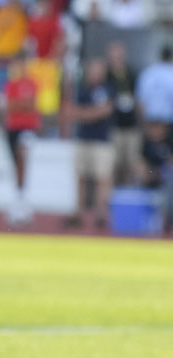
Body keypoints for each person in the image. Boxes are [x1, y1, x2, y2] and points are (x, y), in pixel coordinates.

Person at [68, 58, 114, 232]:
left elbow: (106, 110)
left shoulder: (108, 88)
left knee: (102, 178)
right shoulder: (82, 89)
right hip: (84, 138)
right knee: (80, 177)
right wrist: (94, 113)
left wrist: (87, 114)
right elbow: (73, 112)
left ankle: (101, 214)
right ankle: (78, 213)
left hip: (102, 140)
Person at [2, 47, 41, 227]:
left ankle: (21, 199)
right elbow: (10, 107)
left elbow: (30, 105)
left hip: (26, 127)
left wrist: (18, 105)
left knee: (22, 158)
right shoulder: (10, 84)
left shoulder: (31, 83)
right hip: (13, 127)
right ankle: (20, 198)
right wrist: (20, 105)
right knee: (15, 162)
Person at [104, 42, 140, 186]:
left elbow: (137, 97)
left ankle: (128, 189)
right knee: (114, 162)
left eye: (119, 52)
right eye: (114, 52)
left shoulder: (131, 73)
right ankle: (113, 190)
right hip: (114, 124)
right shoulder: (106, 74)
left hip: (130, 123)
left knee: (131, 161)